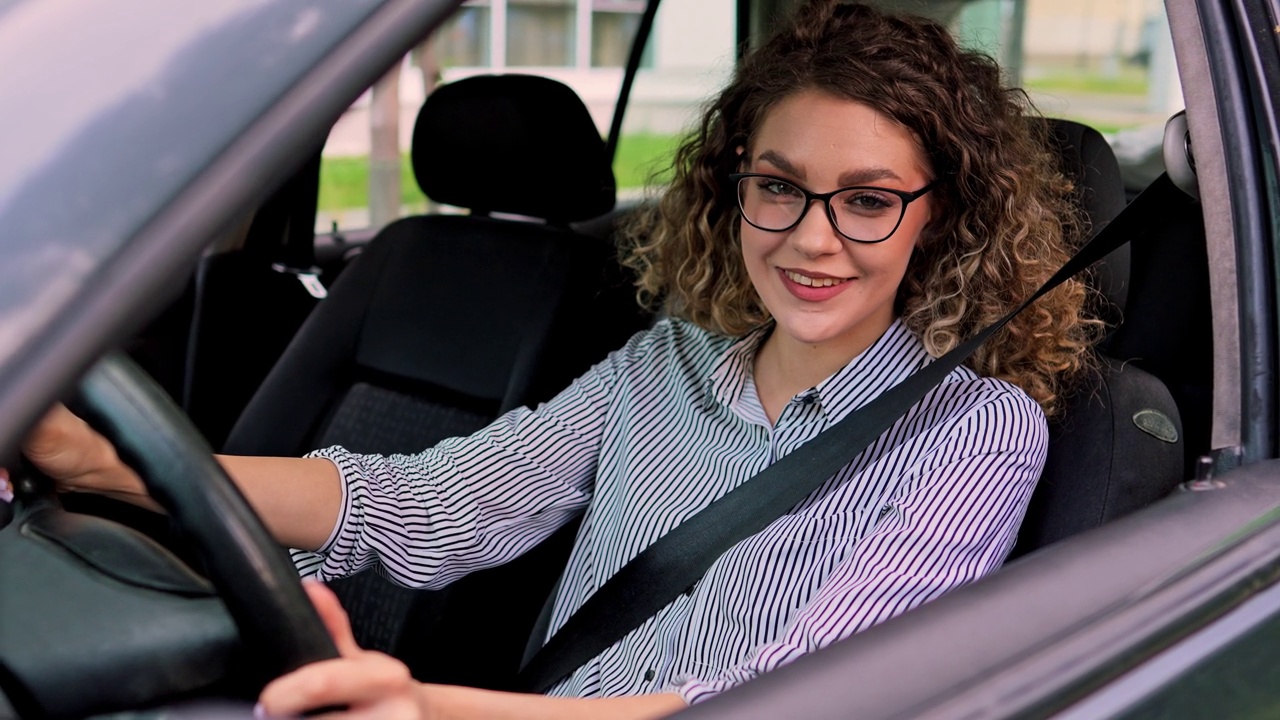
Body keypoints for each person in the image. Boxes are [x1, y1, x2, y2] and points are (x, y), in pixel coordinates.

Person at [2, 1, 1099, 717]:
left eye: (866, 202)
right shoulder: (660, 366)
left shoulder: (971, 430)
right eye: (778, 186)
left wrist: (422, 705)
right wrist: (108, 468)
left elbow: (778, 701)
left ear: (936, 215)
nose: (812, 239)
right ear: (734, 189)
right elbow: (420, 501)